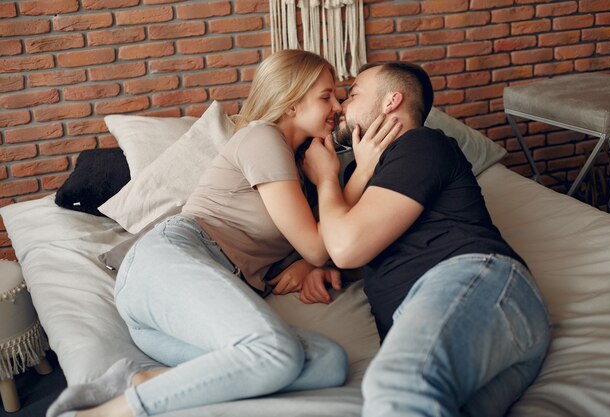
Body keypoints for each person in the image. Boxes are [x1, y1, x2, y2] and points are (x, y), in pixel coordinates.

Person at [46, 50, 399, 417]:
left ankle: (141, 379)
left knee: (328, 362)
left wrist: (309, 261)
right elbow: (315, 245)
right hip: (173, 259)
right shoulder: (263, 138)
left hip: (189, 301)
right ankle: (101, 413)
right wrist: (351, 176)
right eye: (326, 96)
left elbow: (325, 238)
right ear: (292, 103)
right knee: (274, 351)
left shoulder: (300, 168)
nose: (338, 106)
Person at [302, 61, 551, 417]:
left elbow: (346, 247)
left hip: (471, 283)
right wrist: (328, 268)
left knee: (396, 387)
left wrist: (326, 178)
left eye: (353, 94)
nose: (340, 106)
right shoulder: (363, 170)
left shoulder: (420, 144)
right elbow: (350, 244)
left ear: (391, 101)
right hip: (477, 323)